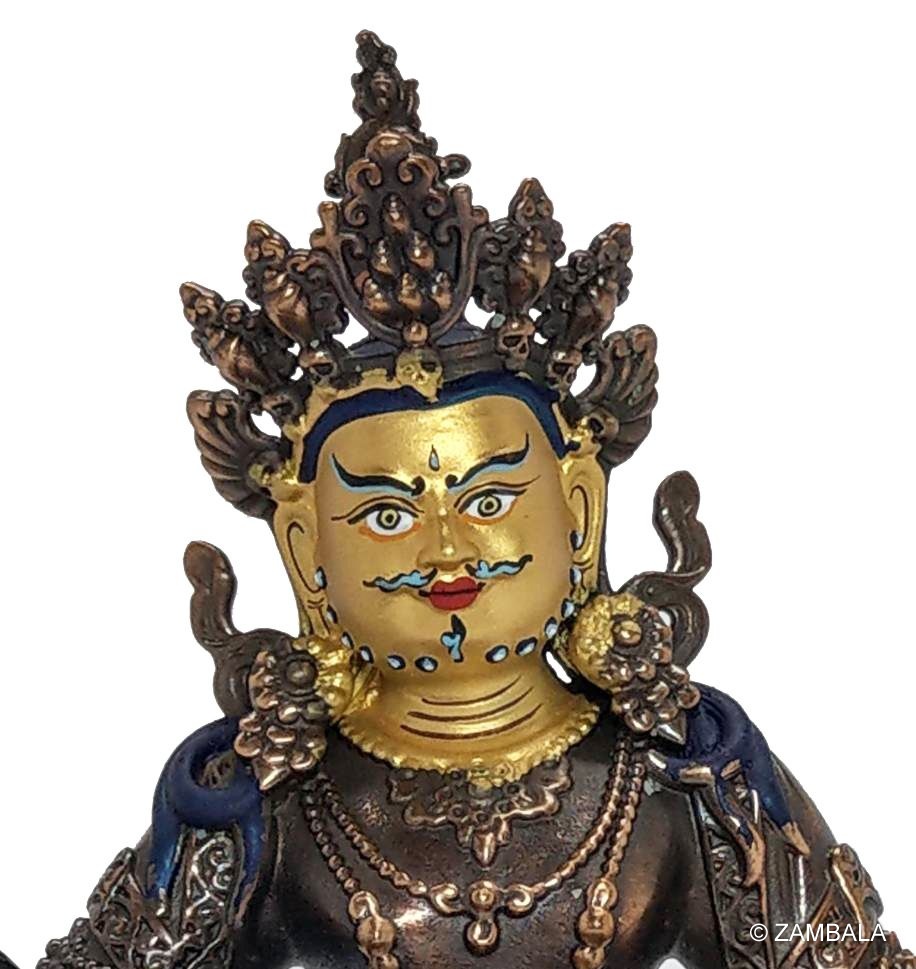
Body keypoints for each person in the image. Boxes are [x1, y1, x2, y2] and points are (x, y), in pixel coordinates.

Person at [35, 30, 912, 969]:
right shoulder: (262, 802)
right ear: (304, 549)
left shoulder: (684, 774)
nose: (446, 551)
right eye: (386, 515)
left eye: (490, 499)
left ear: (579, 510)